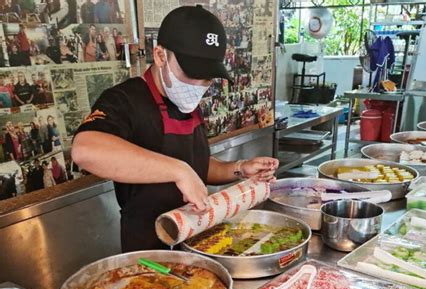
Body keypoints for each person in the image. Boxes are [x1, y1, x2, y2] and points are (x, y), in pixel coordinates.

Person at [72, 6, 278, 253]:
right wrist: (178, 171)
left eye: (208, 77)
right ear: (160, 56)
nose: (199, 85)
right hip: (148, 248)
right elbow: (85, 150)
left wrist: (239, 168)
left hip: (195, 238)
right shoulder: (124, 100)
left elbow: (197, 165)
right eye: (192, 73)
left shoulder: (185, 99)